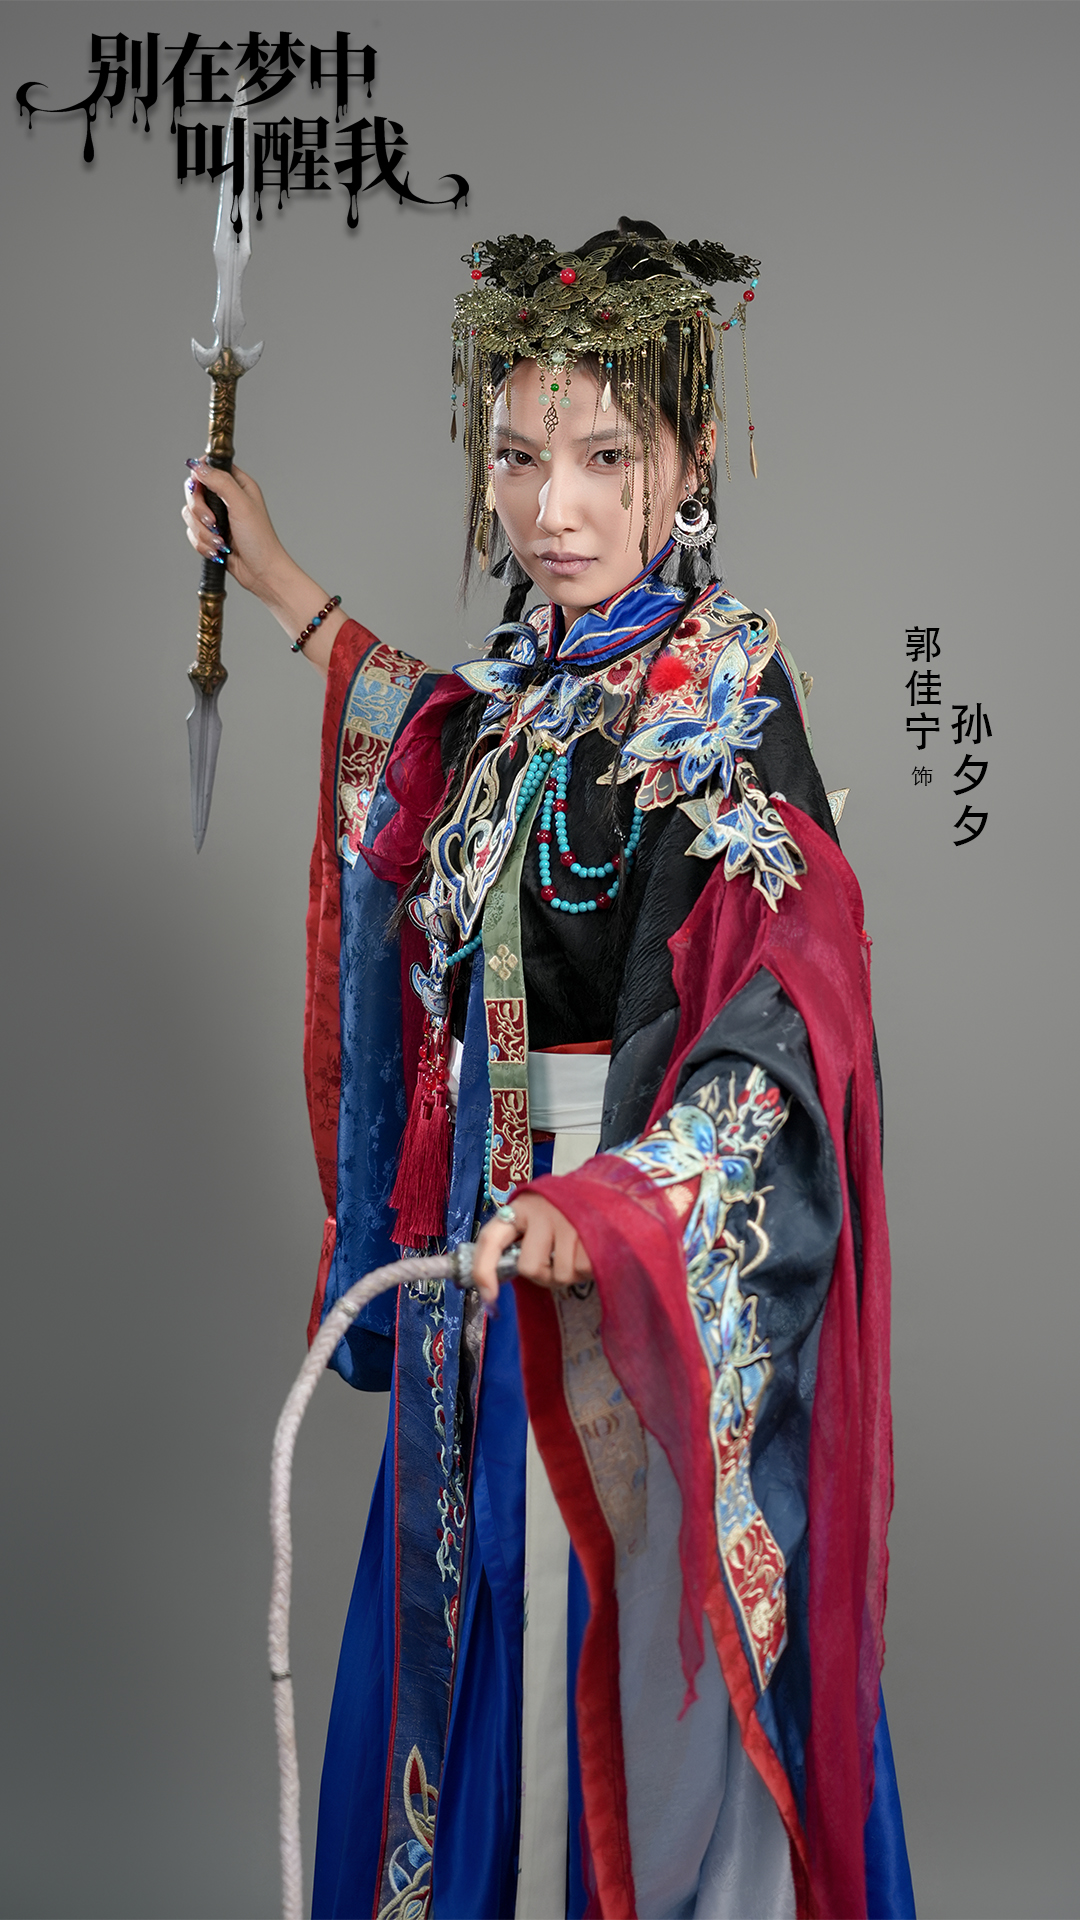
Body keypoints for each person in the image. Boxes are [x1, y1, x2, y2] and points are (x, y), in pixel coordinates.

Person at [183, 221, 915, 1920]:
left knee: (627, 1654)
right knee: (479, 1625)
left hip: (631, 1254)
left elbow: (789, 1022)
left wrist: (621, 1206)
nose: (552, 508)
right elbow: (426, 733)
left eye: (604, 458)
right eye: (518, 458)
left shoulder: (726, 700)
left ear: (692, 458)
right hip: (487, 1248)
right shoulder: (520, 697)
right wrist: (278, 579)